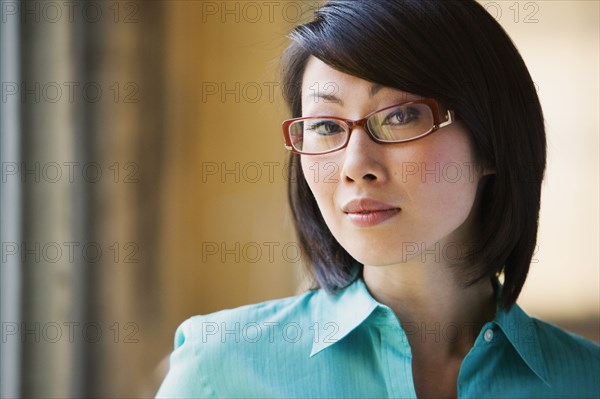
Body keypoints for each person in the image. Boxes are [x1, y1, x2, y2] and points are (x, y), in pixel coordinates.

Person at [156, 1, 599, 397]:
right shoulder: (220, 369)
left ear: (490, 142)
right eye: (326, 126)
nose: (354, 164)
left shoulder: (585, 381)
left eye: (400, 116)